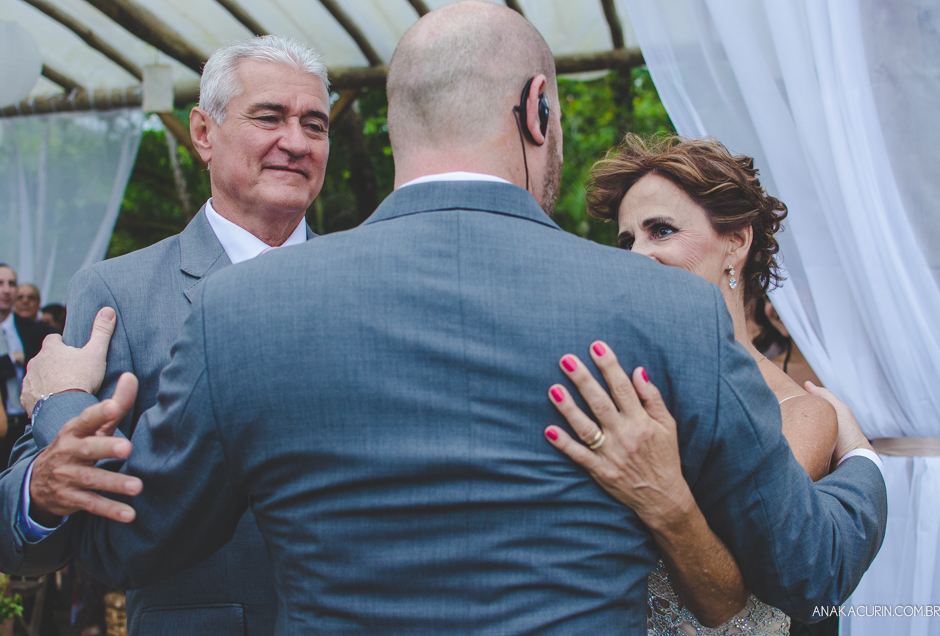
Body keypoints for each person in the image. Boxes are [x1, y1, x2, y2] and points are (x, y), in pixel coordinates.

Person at [20, 3, 883, 633]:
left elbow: (119, 544)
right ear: (538, 110)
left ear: (397, 122)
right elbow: (810, 571)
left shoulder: (239, 309)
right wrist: (866, 462)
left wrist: (60, 404)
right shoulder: (668, 307)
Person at [0, 35, 329, 635]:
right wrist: (42, 487)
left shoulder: (370, 282)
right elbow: (30, 524)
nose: (297, 142)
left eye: (315, 124)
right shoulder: (116, 293)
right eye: (269, 117)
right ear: (203, 133)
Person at [542, 135, 860, 633]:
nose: (637, 255)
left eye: (661, 230)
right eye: (627, 241)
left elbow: (735, 591)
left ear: (736, 241)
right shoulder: (613, 384)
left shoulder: (798, 412)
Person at [0, 265, 53, 466]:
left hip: (26, 425)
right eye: (0, 283)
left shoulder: (35, 330)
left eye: (11, 284)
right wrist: (11, 359)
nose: (6, 290)